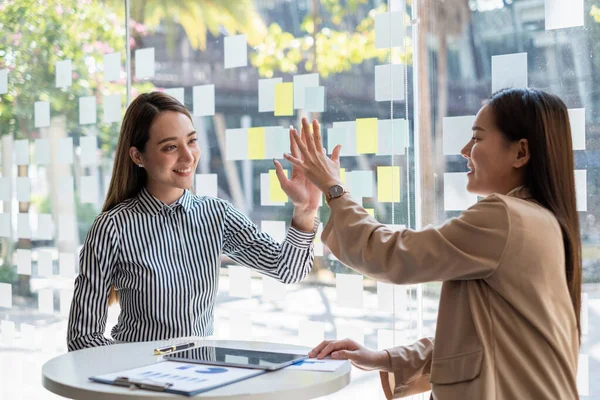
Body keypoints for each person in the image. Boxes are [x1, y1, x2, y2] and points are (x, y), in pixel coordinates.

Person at [284, 88, 581, 399]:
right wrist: (383, 359)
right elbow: (485, 342)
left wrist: (334, 190)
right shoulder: (542, 220)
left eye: (477, 138)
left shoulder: (505, 218)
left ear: (520, 153)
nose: (465, 150)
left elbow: (393, 256)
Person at [67, 92, 321, 351]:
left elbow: (287, 269)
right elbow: (83, 338)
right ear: (137, 156)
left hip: (199, 374)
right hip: (140, 383)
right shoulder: (112, 228)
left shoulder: (217, 216)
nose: (188, 157)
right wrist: (136, 372)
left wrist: (305, 210)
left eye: (192, 141)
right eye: (170, 147)